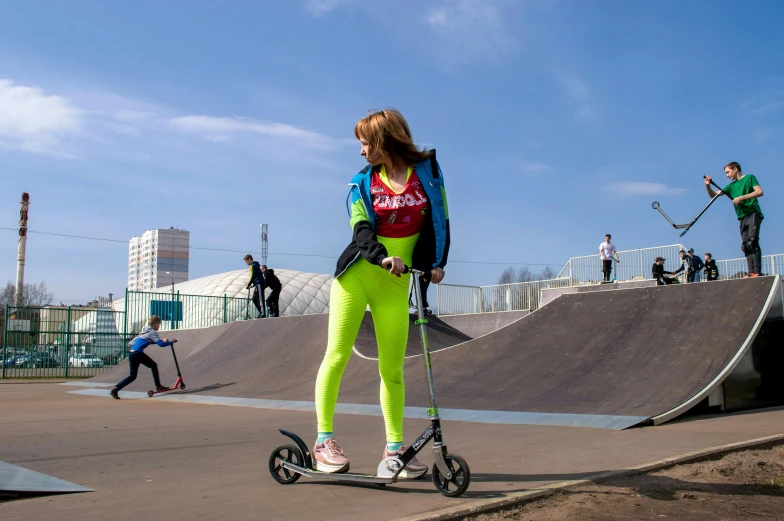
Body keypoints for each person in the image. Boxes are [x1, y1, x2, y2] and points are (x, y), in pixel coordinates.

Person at [313, 108, 450, 477]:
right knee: (337, 355)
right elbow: (360, 230)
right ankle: (323, 441)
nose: (361, 151)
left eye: (365, 142)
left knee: (393, 370)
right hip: (358, 276)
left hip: (396, 286)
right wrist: (381, 257)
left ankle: (395, 450)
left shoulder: (428, 176)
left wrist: (438, 262)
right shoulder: (361, 184)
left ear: (385, 139)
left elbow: (441, 219)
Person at [705, 162, 764, 277]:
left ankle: (757, 272)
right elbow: (713, 195)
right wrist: (707, 185)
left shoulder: (749, 178)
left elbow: (759, 192)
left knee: (752, 242)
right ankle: (750, 272)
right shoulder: (731, 186)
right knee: (745, 245)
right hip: (742, 217)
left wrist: (741, 198)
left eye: (728, 172)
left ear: (735, 169)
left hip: (753, 213)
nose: (727, 175)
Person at [110, 315, 177, 399]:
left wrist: (162, 340)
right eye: (158, 324)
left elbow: (149, 341)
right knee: (153, 365)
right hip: (138, 353)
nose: (159, 326)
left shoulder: (145, 331)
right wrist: (171, 342)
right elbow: (161, 344)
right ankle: (158, 386)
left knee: (132, 376)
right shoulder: (152, 332)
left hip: (132, 353)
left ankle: (115, 390)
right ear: (155, 324)